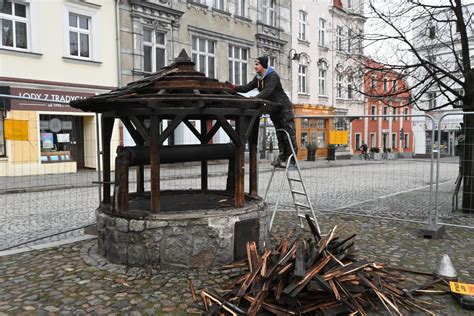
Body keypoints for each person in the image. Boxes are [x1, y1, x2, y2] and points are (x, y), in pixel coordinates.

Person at [229, 56, 297, 168]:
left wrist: (255, 99)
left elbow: (267, 91)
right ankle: (282, 157)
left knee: (288, 133)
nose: (255, 66)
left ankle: (292, 160)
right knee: (279, 133)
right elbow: (247, 87)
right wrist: (234, 87)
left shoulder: (272, 76)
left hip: (284, 108)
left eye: (257, 64)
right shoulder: (258, 78)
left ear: (263, 65)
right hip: (274, 109)